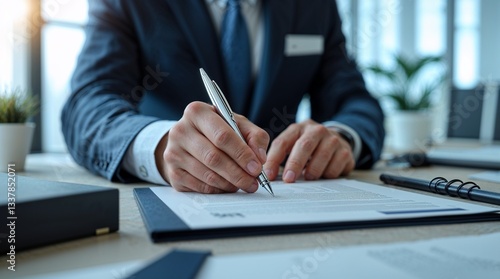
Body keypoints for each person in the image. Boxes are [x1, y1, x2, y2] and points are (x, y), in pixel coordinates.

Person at [62, 0, 385, 194]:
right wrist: (158, 145)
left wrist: (342, 137)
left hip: (288, 191)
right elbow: (88, 104)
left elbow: (354, 100)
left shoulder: (315, 6)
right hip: (180, 203)